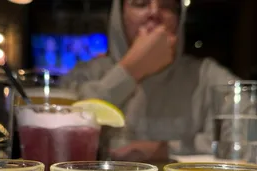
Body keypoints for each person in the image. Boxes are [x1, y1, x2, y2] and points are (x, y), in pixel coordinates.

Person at [59, 0, 237, 162]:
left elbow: (245, 141)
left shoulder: (207, 77)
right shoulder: (86, 75)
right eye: (140, 3)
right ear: (119, 14)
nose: (154, 13)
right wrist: (129, 71)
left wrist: (166, 150)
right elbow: (59, 133)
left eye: (167, 6)